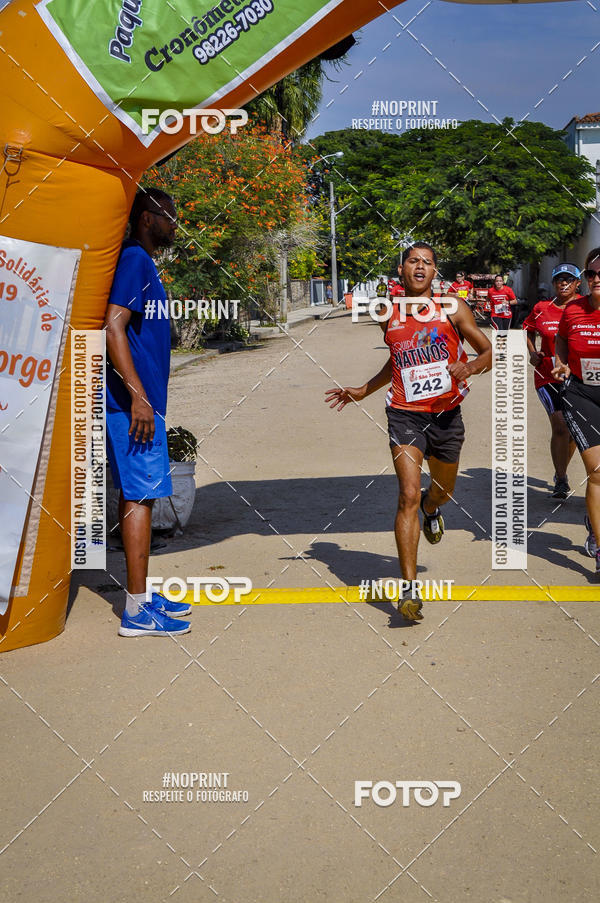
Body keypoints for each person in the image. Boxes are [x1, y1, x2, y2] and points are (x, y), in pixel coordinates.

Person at [325, 241, 492, 621]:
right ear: (400, 271)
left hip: (446, 415)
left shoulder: (453, 308)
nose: (420, 267)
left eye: (428, 263)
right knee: (407, 495)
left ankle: (434, 510)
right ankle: (409, 591)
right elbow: (396, 361)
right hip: (404, 415)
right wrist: (362, 391)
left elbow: (487, 351)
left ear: (435, 272)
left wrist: (470, 368)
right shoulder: (387, 313)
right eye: (413, 262)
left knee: (441, 492)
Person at [104, 188, 192, 636]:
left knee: (141, 494)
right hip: (132, 406)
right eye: (169, 215)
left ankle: (140, 594)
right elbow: (113, 327)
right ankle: (136, 614)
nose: (175, 222)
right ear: (145, 218)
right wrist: (137, 396)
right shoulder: (135, 259)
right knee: (139, 496)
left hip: (144, 405)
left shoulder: (144, 262)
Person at [552, 247, 600, 574]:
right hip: (582, 394)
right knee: (598, 472)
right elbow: (560, 340)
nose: (596, 279)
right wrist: (560, 362)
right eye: (592, 274)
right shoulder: (573, 311)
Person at [522, 263, 581, 499]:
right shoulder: (541, 308)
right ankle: (562, 479)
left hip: (577, 377)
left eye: (569, 279)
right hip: (547, 375)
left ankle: (560, 470)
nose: (563, 283)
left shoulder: (585, 307)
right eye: (559, 279)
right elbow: (528, 328)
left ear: (578, 283)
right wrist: (532, 352)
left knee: (575, 432)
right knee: (560, 425)